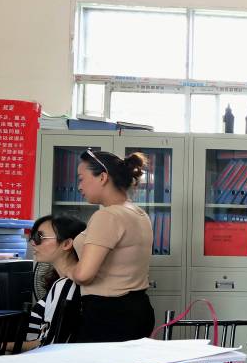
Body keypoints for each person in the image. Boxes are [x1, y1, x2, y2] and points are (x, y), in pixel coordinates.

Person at [68, 149, 155, 342]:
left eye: (81, 178)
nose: (79, 186)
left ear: (103, 177)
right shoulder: (138, 213)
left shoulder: (107, 216)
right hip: (137, 308)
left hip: (108, 314)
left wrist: (68, 269)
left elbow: (84, 275)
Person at [24, 215, 86, 347]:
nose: (33, 243)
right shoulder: (63, 284)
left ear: (67, 244)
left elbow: (48, 344)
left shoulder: (65, 285)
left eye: (39, 237)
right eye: (33, 237)